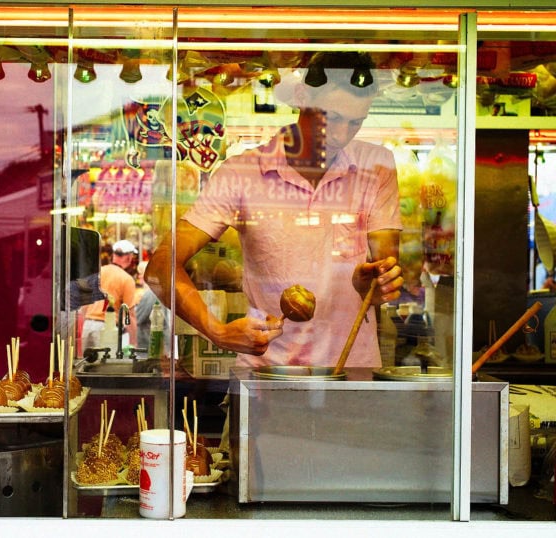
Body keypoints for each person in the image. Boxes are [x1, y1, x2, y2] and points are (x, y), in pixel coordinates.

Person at [146, 51, 404, 369]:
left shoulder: (375, 167)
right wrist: (217, 331)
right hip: (267, 376)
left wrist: (373, 285)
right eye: (332, 117)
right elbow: (160, 268)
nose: (341, 135)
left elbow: (385, 274)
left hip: (351, 374)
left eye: (356, 122)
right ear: (301, 96)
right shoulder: (242, 173)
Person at [81, 239, 139, 351]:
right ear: (128, 257)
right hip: (107, 328)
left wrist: (86, 323)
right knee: (104, 366)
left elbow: (84, 304)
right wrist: (133, 342)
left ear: (113, 255)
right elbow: (129, 314)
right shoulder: (127, 279)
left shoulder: (97, 273)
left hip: (88, 325)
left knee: (86, 365)